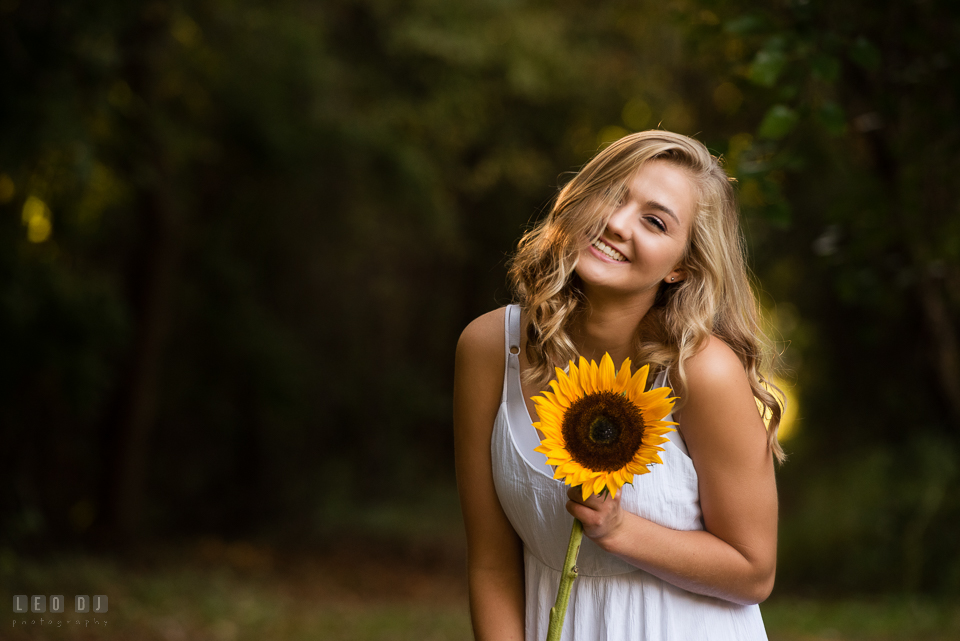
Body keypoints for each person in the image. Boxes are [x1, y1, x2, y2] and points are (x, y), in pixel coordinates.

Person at [453, 130, 784, 641]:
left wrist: (621, 531)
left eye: (655, 221)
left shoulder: (703, 373)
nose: (615, 223)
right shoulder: (490, 348)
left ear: (681, 266)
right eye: (610, 194)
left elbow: (754, 571)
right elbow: (492, 565)